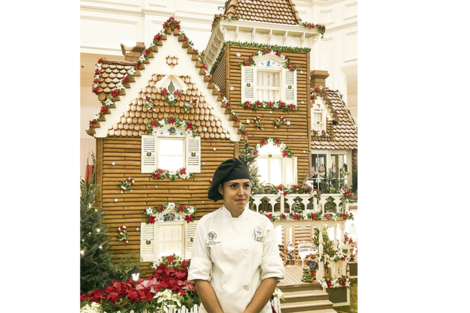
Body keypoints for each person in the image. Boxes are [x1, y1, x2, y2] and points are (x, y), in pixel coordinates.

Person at [188, 158, 285, 313]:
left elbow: (272, 274)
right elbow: (200, 277)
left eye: (246, 186)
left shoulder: (263, 224)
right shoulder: (206, 225)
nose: (242, 193)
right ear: (221, 189)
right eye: (234, 186)